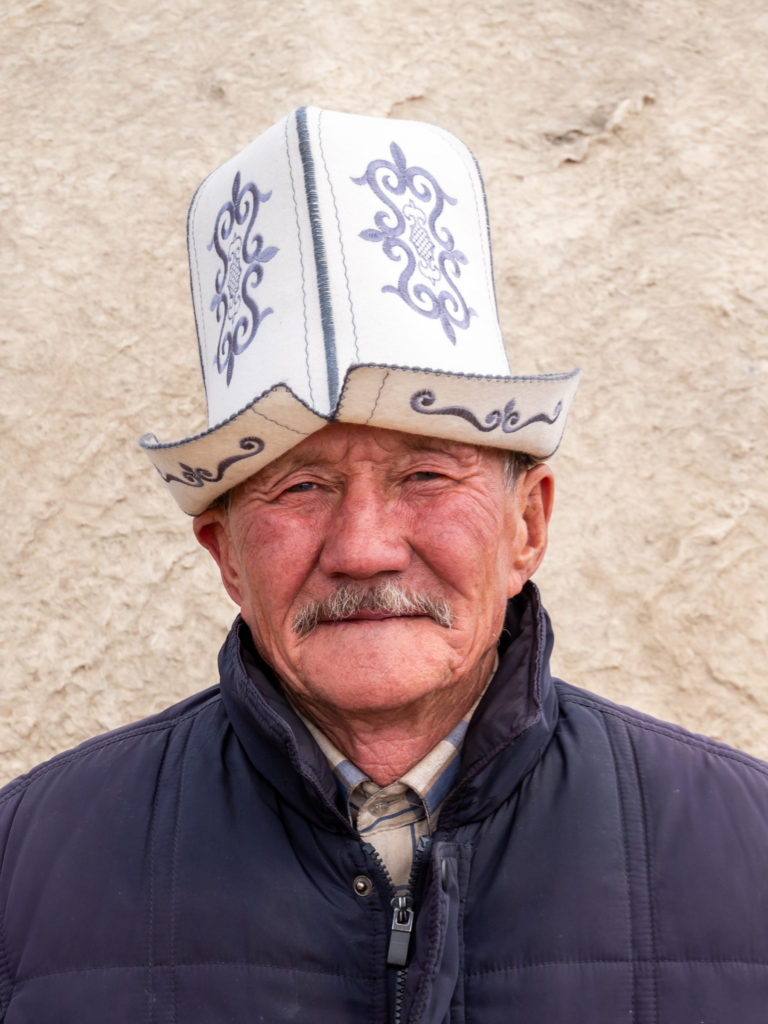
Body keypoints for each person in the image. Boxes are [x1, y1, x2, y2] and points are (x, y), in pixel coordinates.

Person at [1, 107, 767, 1024]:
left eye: (425, 475)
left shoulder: (750, 851)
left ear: (528, 525)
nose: (363, 547)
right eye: (300, 487)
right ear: (227, 557)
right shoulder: (23, 867)